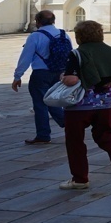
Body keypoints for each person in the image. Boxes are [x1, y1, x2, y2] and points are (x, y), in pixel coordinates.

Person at [58, 20, 111, 190]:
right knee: (107, 133)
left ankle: (80, 179)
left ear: (79, 37)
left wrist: (63, 77)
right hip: (106, 103)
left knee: (75, 140)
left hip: (80, 105)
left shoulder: (77, 53)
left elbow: (72, 80)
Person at [12, 10, 68, 145]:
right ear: (54, 20)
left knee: (40, 104)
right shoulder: (63, 34)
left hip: (41, 73)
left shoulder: (35, 36)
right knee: (53, 100)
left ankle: (43, 135)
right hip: (59, 72)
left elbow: (25, 58)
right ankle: (69, 124)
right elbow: (69, 53)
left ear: (38, 22)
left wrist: (17, 76)